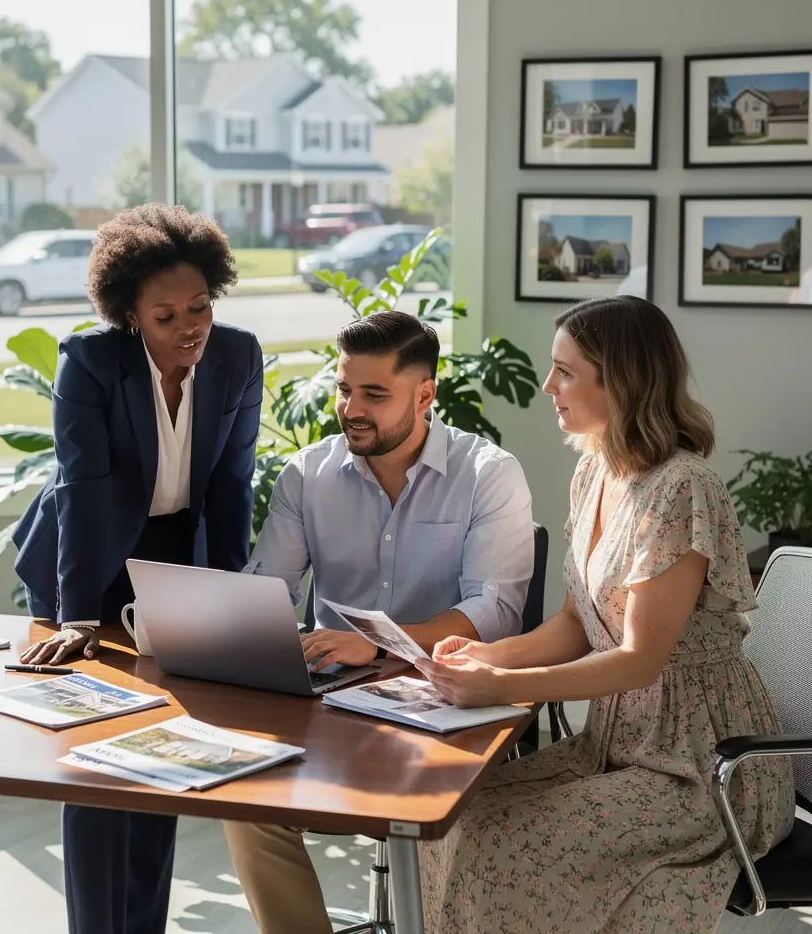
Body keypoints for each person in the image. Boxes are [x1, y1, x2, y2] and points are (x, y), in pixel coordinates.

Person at [415, 295, 795, 934]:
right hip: (614, 748)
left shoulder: (683, 487)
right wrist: (487, 656)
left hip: (701, 769)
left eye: (565, 371)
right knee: (449, 817)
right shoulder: (595, 471)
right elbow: (575, 621)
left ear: (619, 380)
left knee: (498, 847)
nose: (548, 386)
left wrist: (502, 687)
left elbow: (640, 659)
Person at [223, 310, 535, 934]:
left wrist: (378, 644)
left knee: (431, 813)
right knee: (249, 802)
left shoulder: (488, 475)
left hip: (451, 703)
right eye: (344, 389)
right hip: (332, 706)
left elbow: (495, 612)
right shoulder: (307, 476)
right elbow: (268, 591)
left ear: (425, 394)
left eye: (373, 394)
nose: (350, 408)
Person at [10, 203, 263, 934]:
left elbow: (231, 485)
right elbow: (84, 492)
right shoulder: (90, 363)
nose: (190, 327)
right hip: (88, 562)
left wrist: (223, 600)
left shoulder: (238, 357)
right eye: (166, 316)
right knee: (94, 761)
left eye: (200, 307)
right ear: (129, 317)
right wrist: (80, 616)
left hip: (177, 555)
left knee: (162, 754)